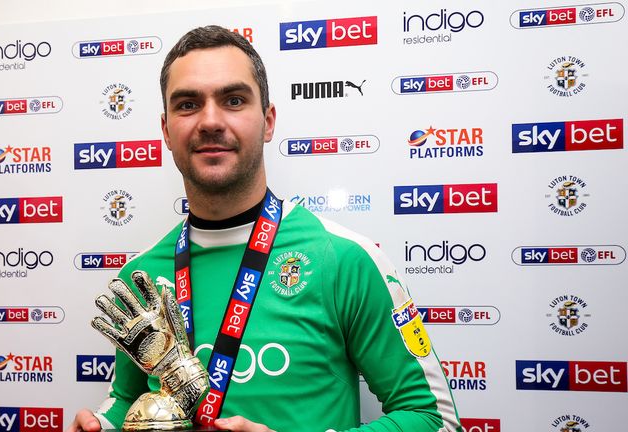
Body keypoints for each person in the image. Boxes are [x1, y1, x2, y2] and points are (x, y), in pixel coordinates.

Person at [68, 25, 461, 432]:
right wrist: (104, 423)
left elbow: (436, 420)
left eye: (234, 100)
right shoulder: (142, 274)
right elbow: (128, 399)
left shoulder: (343, 258)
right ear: (166, 131)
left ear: (268, 121)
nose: (210, 120)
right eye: (187, 105)